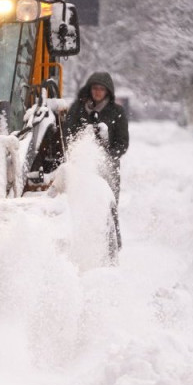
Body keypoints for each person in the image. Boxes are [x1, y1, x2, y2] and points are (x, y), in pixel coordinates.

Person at [64, 71, 129, 253]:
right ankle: (83, 246)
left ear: (108, 92)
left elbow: (122, 143)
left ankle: (111, 248)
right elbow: (68, 134)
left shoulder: (117, 112)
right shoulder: (78, 109)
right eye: (95, 88)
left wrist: (106, 157)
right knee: (81, 206)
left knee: (108, 208)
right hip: (81, 168)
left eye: (101, 89)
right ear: (89, 89)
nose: (98, 92)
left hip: (108, 171)